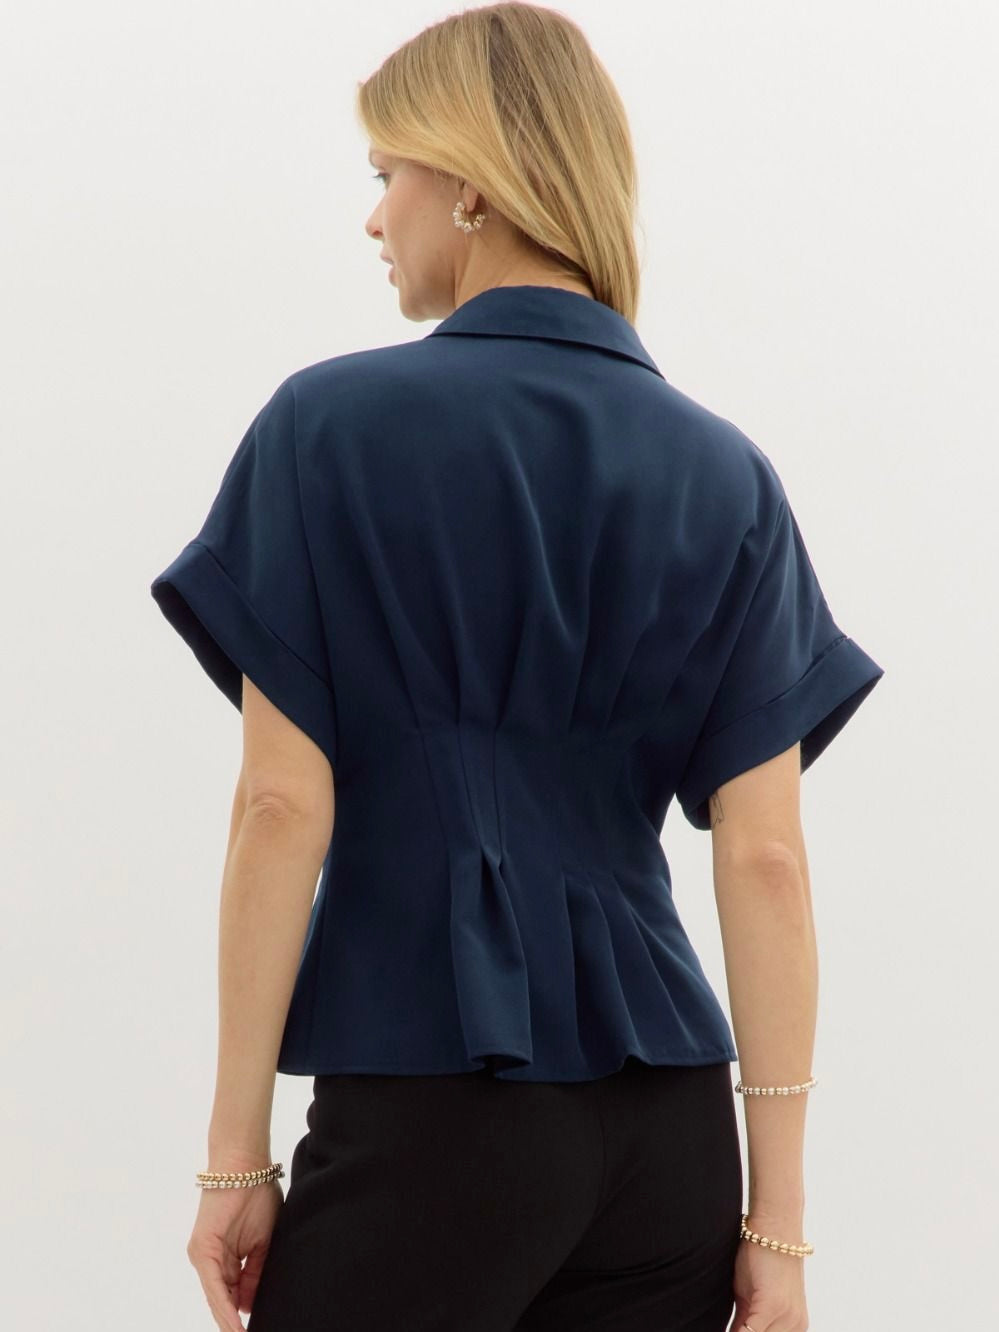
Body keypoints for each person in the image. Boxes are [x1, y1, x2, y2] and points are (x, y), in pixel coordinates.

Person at [150, 4, 885, 1330]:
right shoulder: (727, 476)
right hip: (669, 1140)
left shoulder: (327, 429)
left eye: (388, 173)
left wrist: (235, 1157)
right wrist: (777, 1223)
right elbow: (768, 857)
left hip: (435, 1101)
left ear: (472, 185)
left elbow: (278, 805)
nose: (375, 218)